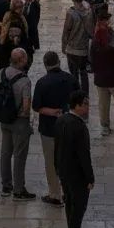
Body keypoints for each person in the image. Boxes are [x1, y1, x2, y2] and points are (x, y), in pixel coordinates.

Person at [33, 51, 77, 205]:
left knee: (51, 162)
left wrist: (53, 112)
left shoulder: (42, 83)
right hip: (69, 127)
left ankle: (55, 194)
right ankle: (69, 191)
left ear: (45, 64)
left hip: (49, 128)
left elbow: (36, 107)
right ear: (59, 61)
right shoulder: (71, 79)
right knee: (68, 160)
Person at [54, 90, 94, 228]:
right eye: (85, 104)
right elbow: (84, 155)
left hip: (63, 170)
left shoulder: (61, 120)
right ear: (77, 106)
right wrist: (90, 177)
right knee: (78, 208)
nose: (87, 108)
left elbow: (56, 148)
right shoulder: (79, 127)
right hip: (76, 174)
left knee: (70, 203)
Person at [0, 47, 34, 199]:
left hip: (4, 118)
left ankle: (6, 186)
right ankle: (19, 189)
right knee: (19, 155)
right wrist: (26, 117)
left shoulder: (1, 73)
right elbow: (26, 106)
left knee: (5, 152)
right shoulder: (25, 80)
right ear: (21, 60)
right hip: (19, 121)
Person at [91, 14, 114, 136]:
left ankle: (105, 127)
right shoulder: (113, 46)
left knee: (103, 104)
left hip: (101, 80)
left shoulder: (95, 44)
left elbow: (91, 61)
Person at [61, 0, 94, 93]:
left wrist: (63, 45)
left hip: (72, 48)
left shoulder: (71, 13)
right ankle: (85, 96)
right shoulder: (88, 11)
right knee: (83, 73)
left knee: (73, 74)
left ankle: (76, 95)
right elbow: (91, 30)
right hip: (83, 48)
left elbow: (66, 30)